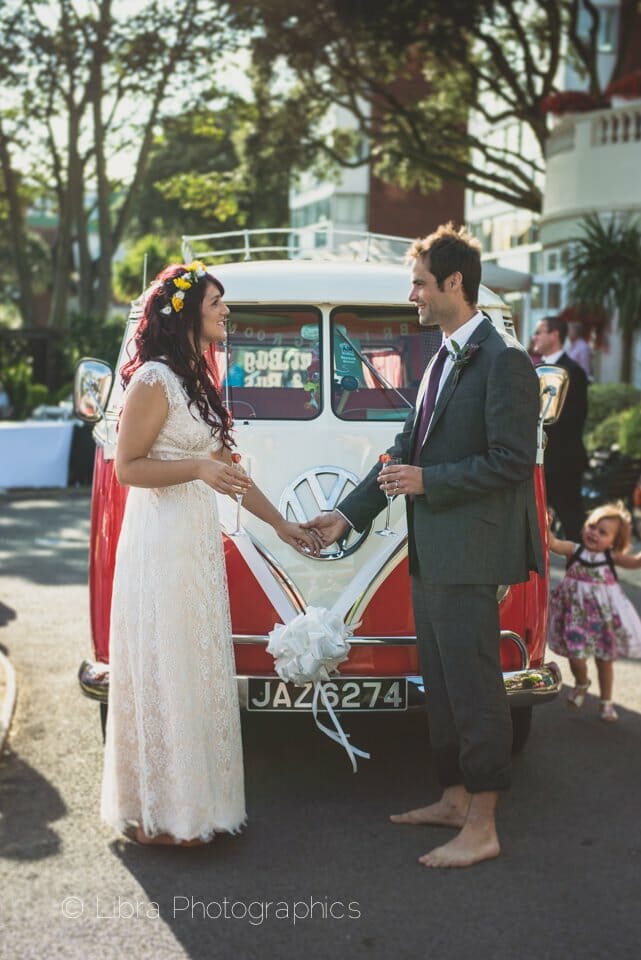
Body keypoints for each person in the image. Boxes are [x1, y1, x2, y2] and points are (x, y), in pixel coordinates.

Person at [305, 223, 543, 868]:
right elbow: (401, 454)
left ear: (454, 283)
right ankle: (453, 797)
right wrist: (344, 516)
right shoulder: (439, 356)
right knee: (441, 684)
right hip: (436, 552)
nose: (412, 294)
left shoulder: (505, 361)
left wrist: (427, 482)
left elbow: (513, 460)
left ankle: (484, 826)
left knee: (475, 689)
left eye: (418, 283)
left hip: (472, 554)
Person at [101, 261, 319, 847]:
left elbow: (232, 473)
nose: (226, 311)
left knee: (194, 669)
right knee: (167, 667)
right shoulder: (153, 379)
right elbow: (127, 468)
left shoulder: (197, 377)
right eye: (217, 302)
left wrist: (284, 526)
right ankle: (161, 815)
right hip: (158, 544)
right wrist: (198, 466)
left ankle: (198, 808)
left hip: (194, 545)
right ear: (188, 311)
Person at [547, 501, 641, 723]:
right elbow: (552, 543)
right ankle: (582, 683)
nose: (594, 533)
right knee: (576, 658)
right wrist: (547, 525)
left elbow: (636, 562)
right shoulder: (575, 550)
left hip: (602, 620)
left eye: (603, 532)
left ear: (614, 542)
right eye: (591, 526)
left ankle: (606, 702)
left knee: (604, 661)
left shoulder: (611, 557)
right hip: (576, 618)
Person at [532, 315, 588, 542]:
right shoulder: (536, 369)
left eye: (539, 332)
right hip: (540, 460)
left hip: (563, 462)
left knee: (573, 523)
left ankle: (590, 574)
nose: (534, 337)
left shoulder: (572, 372)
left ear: (555, 335)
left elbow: (572, 419)